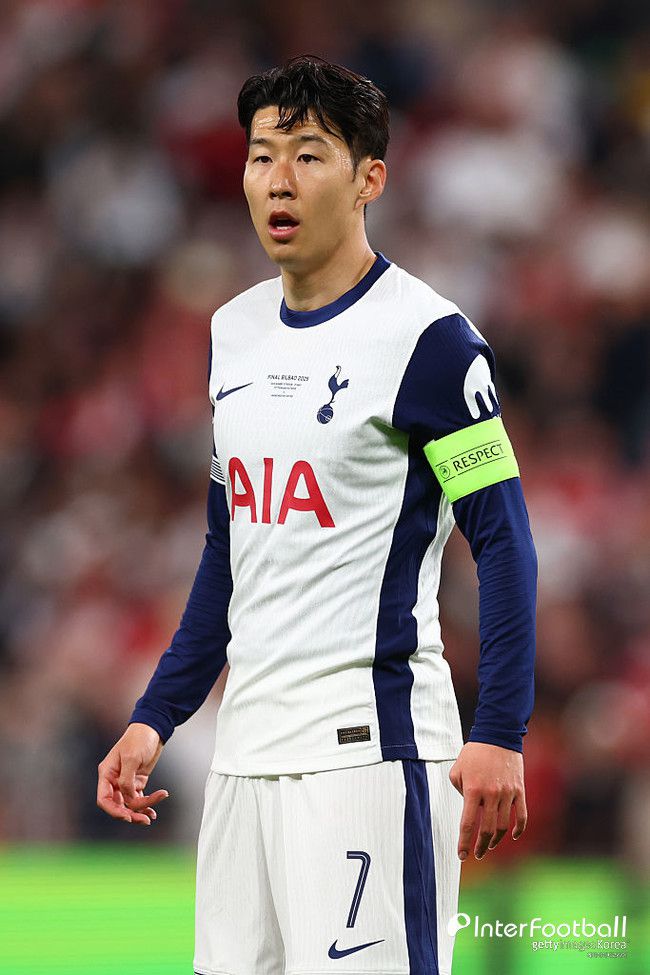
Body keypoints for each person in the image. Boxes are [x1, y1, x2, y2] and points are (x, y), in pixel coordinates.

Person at [97, 55, 537, 975]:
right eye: (262, 156)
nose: (279, 180)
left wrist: (500, 729)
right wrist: (155, 716)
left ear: (369, 178)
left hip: (368, 754)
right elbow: (229, 550)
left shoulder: (431, 341)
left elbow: (502, 539)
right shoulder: (233, 332)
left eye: (308, 154)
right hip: (243, 755)